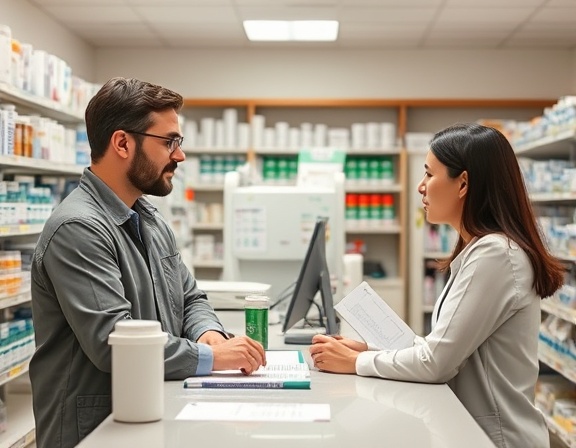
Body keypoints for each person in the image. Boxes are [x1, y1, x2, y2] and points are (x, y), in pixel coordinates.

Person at [29, 77, 266, 448]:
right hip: (95, 429)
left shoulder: (148, 218)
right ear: (122, 143)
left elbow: (190, 298)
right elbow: (114, 342)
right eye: (169, 141)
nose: (180, 155)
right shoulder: (78, 228)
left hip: (148, 412)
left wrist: (210, 335)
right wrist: (210, 357)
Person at [310, 123, 565, 448]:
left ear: (463, 183)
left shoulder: (496, 254)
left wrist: (354, 363)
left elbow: (437, 364)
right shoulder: (482, 250)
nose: (421, 187)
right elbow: (444, 347)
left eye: (429, 174)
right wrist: (373, 351)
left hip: (497, 440)